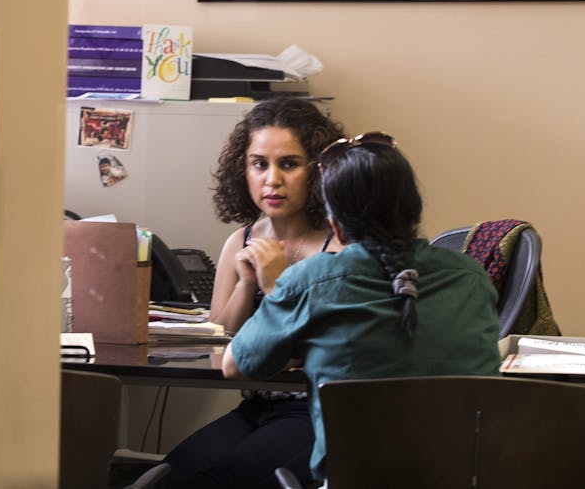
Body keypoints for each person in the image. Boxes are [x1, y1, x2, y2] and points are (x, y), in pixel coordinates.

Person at [222, 132, 501, 485]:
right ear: (415, 211)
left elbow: (234, 365)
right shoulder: (473, 278)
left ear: (335, 224)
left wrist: (276, 295)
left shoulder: (311, 281)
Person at [163, 98, 344, 489]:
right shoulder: (240, 240)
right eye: (259, 163)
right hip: (257, 405)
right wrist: (246, 285)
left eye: (289, 164)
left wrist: (278, 285)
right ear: (242, 169)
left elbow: (334, 350)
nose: (271, 179)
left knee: (230, 479)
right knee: (174, 476)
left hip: (318, 413)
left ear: (317, 172)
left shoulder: (339, 245)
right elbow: (220, 343)